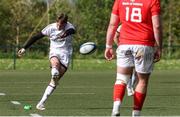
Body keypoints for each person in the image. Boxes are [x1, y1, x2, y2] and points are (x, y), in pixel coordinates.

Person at [104, 0, 162, 116]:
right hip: (144, 44)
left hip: (124, 44)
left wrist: (108, 46)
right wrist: (159, 47)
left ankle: (116, 107)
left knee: (121, 78)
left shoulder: (120, 1)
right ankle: (136, 114)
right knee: (142, 81)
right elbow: (157, 25)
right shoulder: (152, 1)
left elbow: (112, 24)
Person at [18, 13, 75, 111]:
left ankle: (41, 103)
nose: (59, 26)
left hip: (65, 55)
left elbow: (72, 31)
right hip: (55, 52)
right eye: (58, 24)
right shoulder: (50, 28)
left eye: (61, 25)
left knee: (54, 81)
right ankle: (54, 71)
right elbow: (36, 37)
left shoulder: (69, 27)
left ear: (65, 23)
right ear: (56, 21)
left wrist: (64, 34)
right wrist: (24, 48)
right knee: (55, 67)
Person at [114, 25, 137, 97]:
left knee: (137, 71)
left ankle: (130, 86)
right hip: (127, 51)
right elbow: (115, 37)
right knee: (129, 71)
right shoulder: (122, 26)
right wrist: (120, 46)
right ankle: (129, 88)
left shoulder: (139, 25)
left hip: (138, 49)